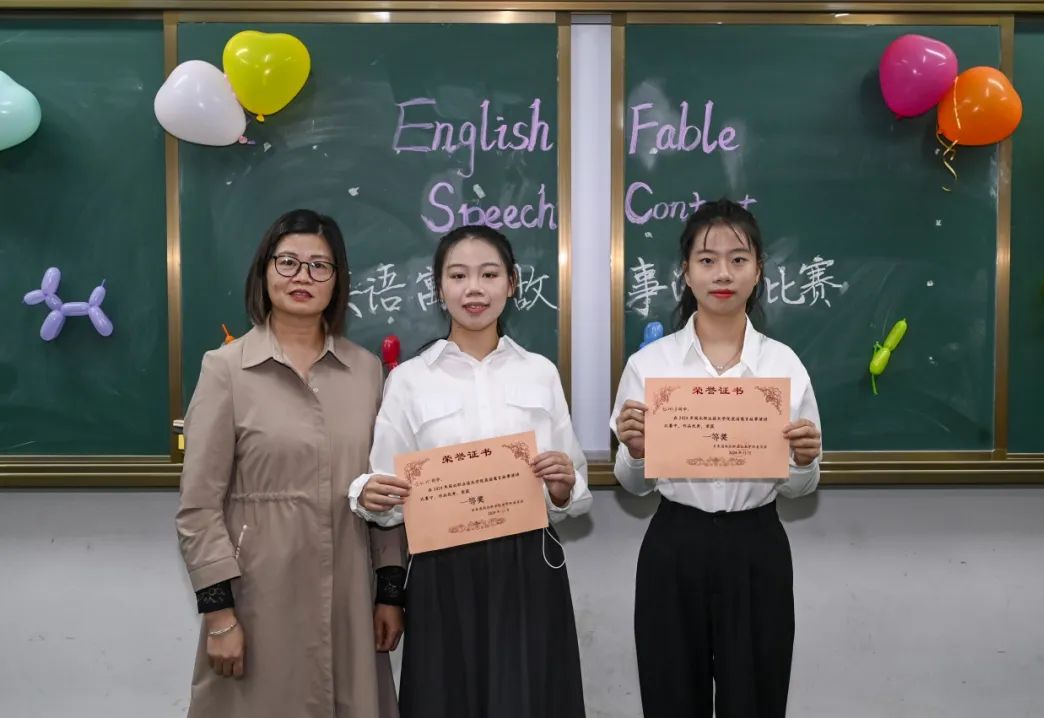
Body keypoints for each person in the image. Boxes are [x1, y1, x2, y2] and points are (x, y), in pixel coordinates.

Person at [350, 224, 591, 718]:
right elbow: (387, 496)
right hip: (442, 569)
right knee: (448, 698)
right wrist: (372, 494)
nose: (474, 289)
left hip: (528, 567)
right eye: (458, 276)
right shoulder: (410, 380)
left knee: (529, 699)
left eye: (489, 274)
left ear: (512, 283)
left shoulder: (540, 372)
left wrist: (563, 488)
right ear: (439, 288)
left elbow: (574, 493)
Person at [176, 209, 406, 718]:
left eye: (319, 266)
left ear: (337, 280)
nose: (303, 276)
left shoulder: (367, 371)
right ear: (264, 271)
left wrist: (390, 591)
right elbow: (198, 507)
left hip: (350, 598)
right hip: (258, 596)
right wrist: (219, 615)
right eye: (288, 262)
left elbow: (385, 489)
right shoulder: (226, 369)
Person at [611, 199, 822, 718]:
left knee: (755, 697)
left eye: (738, 259)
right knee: (670, 696)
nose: (723, 273)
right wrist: (636, 453)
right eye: (707, 260)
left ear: (758, 271)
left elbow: (800, 490)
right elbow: (634, 487)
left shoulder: (784, 365)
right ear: (685, 272)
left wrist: (803, 460)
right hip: (674, 544)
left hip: (756, 546)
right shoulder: (649, 365)